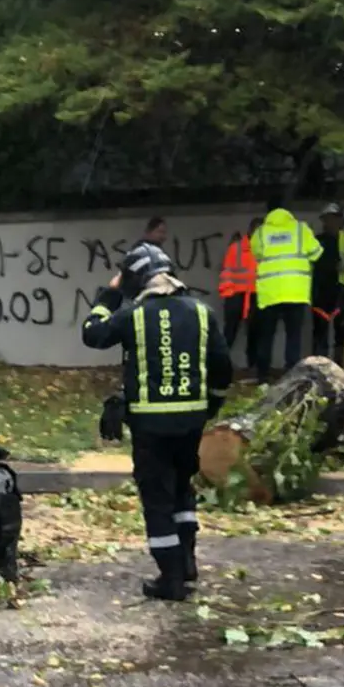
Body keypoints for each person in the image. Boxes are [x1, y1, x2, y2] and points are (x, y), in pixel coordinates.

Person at [82, 244, 233, 601]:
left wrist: (109, 295)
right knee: (183, 490)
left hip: (150, 428)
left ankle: (171, 578)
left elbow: (93, 333)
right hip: (191, 422)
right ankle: (187, 562)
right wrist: (212, 403)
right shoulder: (201, 312)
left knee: (157, 499)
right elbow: (223, 366)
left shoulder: (133, 314)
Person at [250, 196, 323, 381]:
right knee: (293, 336)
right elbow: (316, 253)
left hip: (270, 294)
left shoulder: (260, 233)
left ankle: (262, 375)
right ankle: (291, 375)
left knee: (266, 335)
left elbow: (256, 254)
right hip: (296, 292)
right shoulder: (301, 229)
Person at [311, 203, 344, 364]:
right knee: (320, 332)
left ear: (340, 220)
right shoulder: (317, 241)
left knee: (342, 333)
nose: (330, 222)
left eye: (333, 218)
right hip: (321, 292)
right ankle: (320, 367)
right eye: (327, 219)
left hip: (341, 292)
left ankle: (342, 365)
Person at [218, 217, 263, 374]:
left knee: (254, 334)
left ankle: (252, 367)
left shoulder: (265, 250)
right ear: (250, 230)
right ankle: (219, 366)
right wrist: (228, 294)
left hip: (255, 295)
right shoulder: (236, 248)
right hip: (236, 295)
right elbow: (226, 271)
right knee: (230, 333)